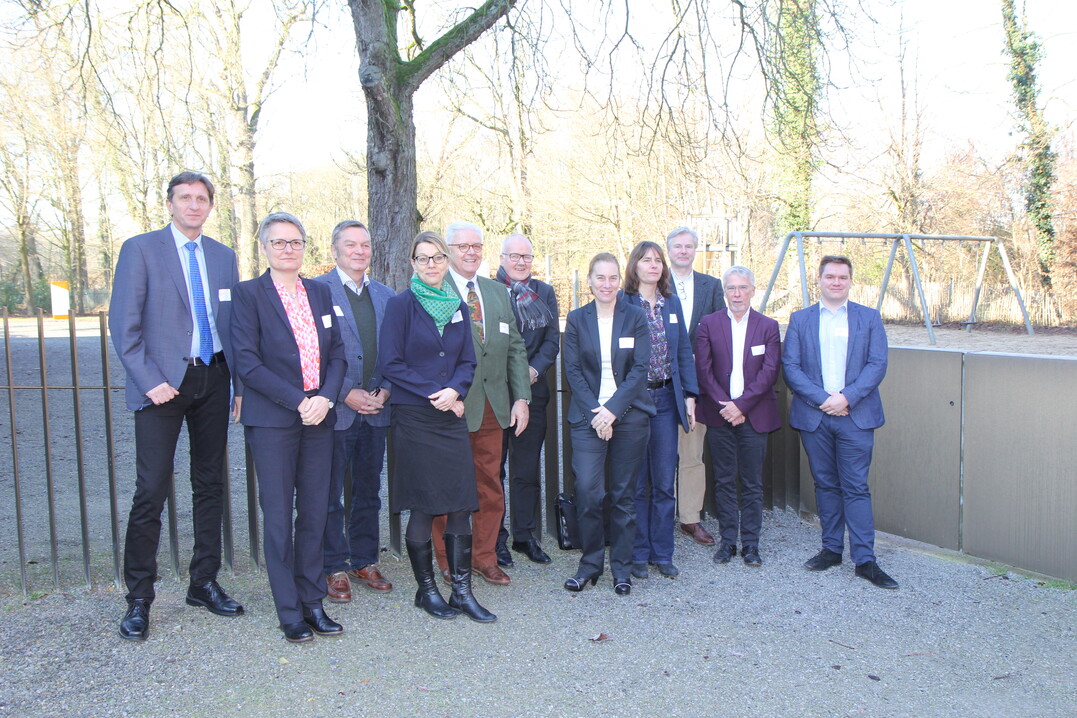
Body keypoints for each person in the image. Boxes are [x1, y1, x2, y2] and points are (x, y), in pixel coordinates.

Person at [109, 171, 243, 642]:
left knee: (210, 484)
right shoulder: (141, 249)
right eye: (184, 198)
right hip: (162, 387)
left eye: (201, 198)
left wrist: (238, 384)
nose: (193, 205)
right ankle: (139, 598)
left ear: (210, 206)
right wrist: (152, 382)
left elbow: (236, 326)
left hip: (214, 378)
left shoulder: (224, 257)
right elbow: (124, 327)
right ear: (169, 203)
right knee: (151, 490)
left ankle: (203, 582)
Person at [230, 212, 347, 642]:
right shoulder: (247, 295)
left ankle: (313, 600)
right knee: (278, 518)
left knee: (315, 512)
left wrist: (325, 399)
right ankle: (289, 611)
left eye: (295, 242)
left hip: (320, 416)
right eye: (279, 242)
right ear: (265, 247)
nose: (287, 249)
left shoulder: (319, 291)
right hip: (275, 420)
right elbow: (246, 361)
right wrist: (300, 401)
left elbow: (338, 353)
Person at [379, 231, 496, 623]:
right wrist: (437, 391)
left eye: (437, 258)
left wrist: (456, 390)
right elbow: (391, 364)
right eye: (423, 258)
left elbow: (467, 360)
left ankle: (462, 592)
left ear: (447, 261)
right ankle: (427, 590)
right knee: (425, 508)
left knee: (461, 502)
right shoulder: (401, 306)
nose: (431, 265)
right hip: (416, 417)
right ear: (412, 263)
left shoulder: (458, 305)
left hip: (450, 417)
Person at [782, 255, 898, 589]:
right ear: (818, 280)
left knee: (856, 487)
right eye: (830, 276)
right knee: (825, 484)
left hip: (855, 416)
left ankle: (865, 560)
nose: (836, 282)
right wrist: (824, 400)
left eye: (842, 277)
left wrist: (846, 398)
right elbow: (791, 366)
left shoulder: (869, 318)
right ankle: (831, 549)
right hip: (815, 416)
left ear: (850, 281)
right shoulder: (801, 319)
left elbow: (877, 364)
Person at [431, 222, 531, 587]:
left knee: (490, 485)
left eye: (476, 246)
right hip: (450, 406)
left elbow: (515, 348)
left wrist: (521, 397)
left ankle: (484, 557)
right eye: (462, 246)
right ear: (447, 251)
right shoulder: (433, 291)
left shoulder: (496, 292)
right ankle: (446, 558)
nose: (471, 252)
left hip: (493, 406)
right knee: (447, 486)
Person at [562, 253, 653, 596]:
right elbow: (572, 371)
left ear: (620, 281)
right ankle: (590, 564)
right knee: (587, 491)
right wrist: (596, 413)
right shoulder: (575, 319)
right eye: (600, 277)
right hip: (587, 418)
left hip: (628, 417)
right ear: (589, 281)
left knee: (623, 495)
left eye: (613, 277)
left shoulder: (635, 317)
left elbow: (640, 369)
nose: (607, 284)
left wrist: (612, 411)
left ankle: (622, 569)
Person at [316, 220, 395, 602]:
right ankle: (332, 565)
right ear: (335, 250)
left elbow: (399, 351)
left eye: (365, 244)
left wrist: (385, 390)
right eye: (351, 245)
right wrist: (346, 393)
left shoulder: (386, 295)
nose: (359, 251)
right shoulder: (316, 291)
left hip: (377, 410)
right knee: (330, 491)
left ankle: (364, 558)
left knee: (368, 490)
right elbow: (312, 354)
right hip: (337, 409)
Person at [695, 266, 781, 567]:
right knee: (724, 480)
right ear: (724, 292)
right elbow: (703, 371)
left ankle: (751, 545)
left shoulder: (768, 326)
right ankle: (728, 542)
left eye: (743, 287)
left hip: (754, 416)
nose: (737, 294)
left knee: (753, 482)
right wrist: (726, 405)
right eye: (731, 288)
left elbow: (770, 372)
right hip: (719, 416)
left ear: (753, 290)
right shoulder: (709, 324)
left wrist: (741, 406)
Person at [623, 241, 699, 580]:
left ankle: (662, 552)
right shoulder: (623, 303)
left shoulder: (672, 304)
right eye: (646, 259)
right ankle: (638, 553)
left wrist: (690, 397)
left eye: (658, 260)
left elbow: (683, 351)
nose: (653, 265)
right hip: (635, 402)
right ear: (635, 266)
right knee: (638, 483)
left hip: (668, 400)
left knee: (665, 480)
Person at [495, 234, 560, 566]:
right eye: (515, 256)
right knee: (493, 471)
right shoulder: (488, 290)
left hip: (533, 392)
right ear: (502, 257)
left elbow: (551, 341)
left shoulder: (544, 293)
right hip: (494, 395)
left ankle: (524, 535)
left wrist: (534, 371)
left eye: (527, 257)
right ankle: (495, 539)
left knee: (526, 470)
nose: (521, 262)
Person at [666, 227, 725, 546]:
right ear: (669, 250)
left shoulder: (712, 286)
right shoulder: (654, 285)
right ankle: (659, 517)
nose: (684, 251)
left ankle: (690, 517)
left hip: (697, 384)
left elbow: (718, 333)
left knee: (692, 452)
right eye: (678, 246)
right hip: (659, 383)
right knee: (658, 452)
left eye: (689, 246)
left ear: (695, 250)